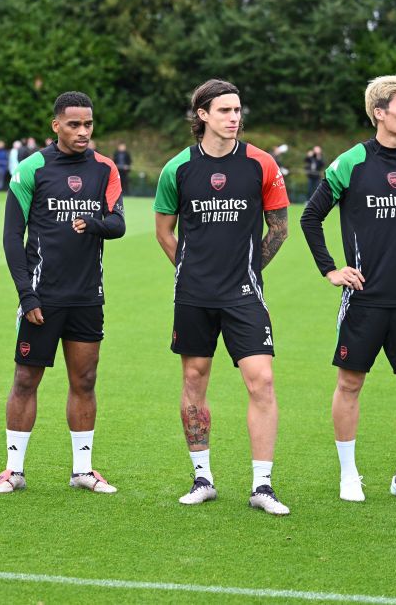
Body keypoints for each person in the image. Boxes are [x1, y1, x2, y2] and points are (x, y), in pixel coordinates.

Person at [300, 75, 396, 504]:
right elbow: (310, 217)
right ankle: (349, 475)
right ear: (379, 112)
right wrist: (331, 269)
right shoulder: (351, 162)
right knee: (350, 383)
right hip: (363, 301)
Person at [153, 78, 291, 515]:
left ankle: (263, 486)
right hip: (193, 295)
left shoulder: (261, 164)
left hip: (244, 294)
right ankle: (203, 477)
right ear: (203, 116)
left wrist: (245, 272)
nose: (235, 118)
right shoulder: (177, 169)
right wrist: (191, 271)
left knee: (262, 381)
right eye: (225, 111)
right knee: (194, 379)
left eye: (237, 111)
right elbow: (164, 231)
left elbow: (279, 229)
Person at [0, 91, 125, 495]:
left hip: (87, 296)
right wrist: (25, 295)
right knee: (26, 380)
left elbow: (117, 224)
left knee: (84, 380)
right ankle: (13, 470)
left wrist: (94, 222)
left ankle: (82, 470)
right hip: (42, 298)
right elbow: (12, 237)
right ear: (56, 126)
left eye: (88, 124)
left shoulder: (105, 169)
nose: (83, 131)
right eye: (74, 124)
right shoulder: (32, 168)